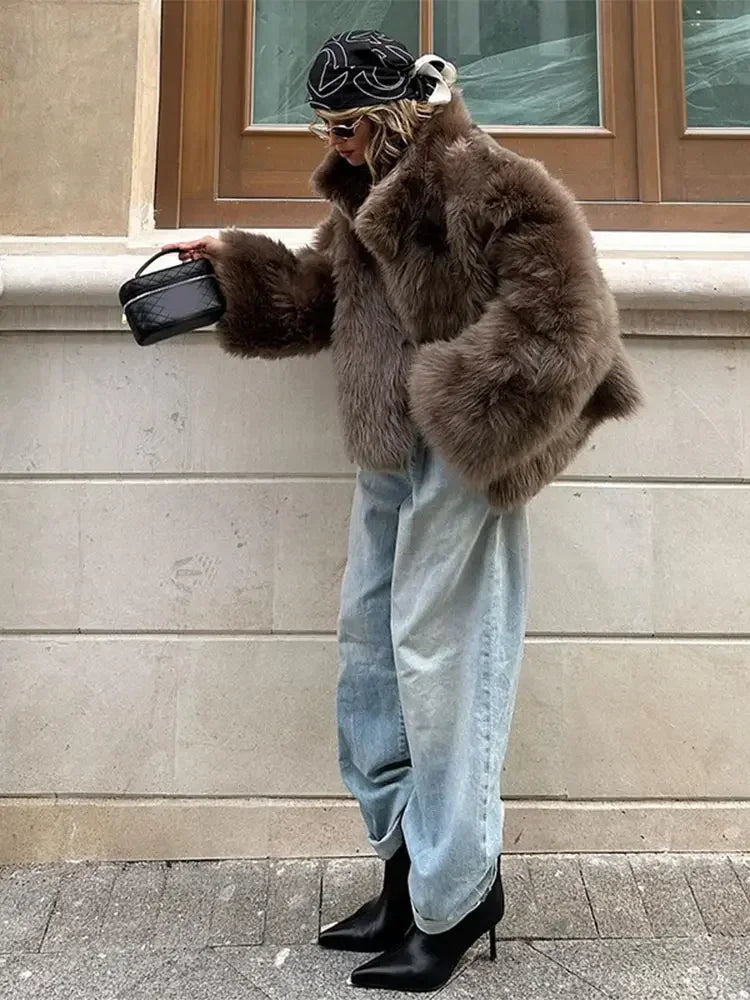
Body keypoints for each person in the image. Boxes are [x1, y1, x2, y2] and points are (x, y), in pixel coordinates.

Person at [164, 29, 640, 993]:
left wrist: (454, 404)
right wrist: (230, 264)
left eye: (345, 124)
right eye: (323, 126)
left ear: (393, 114)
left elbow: (571, 320)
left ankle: (457, 900)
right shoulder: (363, 193)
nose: (332, 142)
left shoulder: (486, 178)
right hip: (390, 457)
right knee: (372, 659)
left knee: (444, 665)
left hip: (462, 456)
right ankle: (405, 872)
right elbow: (318, 304)